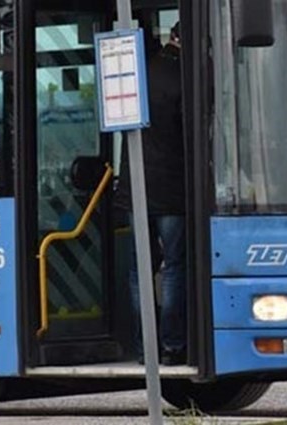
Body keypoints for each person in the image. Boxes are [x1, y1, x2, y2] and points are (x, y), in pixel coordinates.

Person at [115, 22, 187, 366]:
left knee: (140, 270)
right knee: (174, 267)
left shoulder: (137, 74)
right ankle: (173, 344)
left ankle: (145, 347)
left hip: (136, 190)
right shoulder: (185, 78)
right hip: (173, 189)